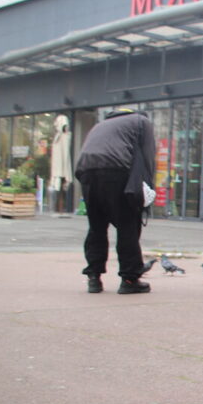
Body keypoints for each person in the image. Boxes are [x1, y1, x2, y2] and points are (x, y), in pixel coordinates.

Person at [74, 108, 155, 295]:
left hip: (86, 170)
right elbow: (147, 156)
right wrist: (146, 190)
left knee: (96, 225)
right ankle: (129, 279)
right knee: (128, 224)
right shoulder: (141, 121)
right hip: (116, 170)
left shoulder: (100, 125)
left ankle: (93, 278)